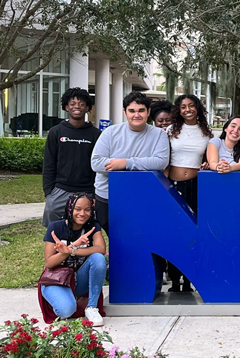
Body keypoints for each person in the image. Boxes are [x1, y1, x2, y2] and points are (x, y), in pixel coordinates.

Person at [91, 92, 170, 236]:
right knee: (115, 237)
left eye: (141, 110)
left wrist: (124, 163)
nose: (136, 115)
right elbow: (96, 163)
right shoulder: (110, 133)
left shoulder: (159, 134)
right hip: (108, 195)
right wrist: (140, 164)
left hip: (141, 196)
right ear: (124, 112)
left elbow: (160, 162)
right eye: (132, 111)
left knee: (139, 237)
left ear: (148, 112)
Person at [165, 94, 213, 292]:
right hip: (173, 185)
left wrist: (209, 164)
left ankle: (189, 279)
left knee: (194, 232)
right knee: (175, 232)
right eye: (183, 106)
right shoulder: (170, 131)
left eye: (191, 106)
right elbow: (164, 158)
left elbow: (211, 157)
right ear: (179, 110)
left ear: (197, 108)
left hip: (196, 186)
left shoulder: (206, 133)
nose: (188, 109)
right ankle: (175, 279)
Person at [40, 193, 107, 326]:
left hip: (79, 280)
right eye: (77, 209)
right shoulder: (56, 227)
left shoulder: (92, 226)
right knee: (66, 311)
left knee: (98, 258)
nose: (82, 213)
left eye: (87, 209)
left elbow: (101, 249)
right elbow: (49, 262)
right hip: (57, 281)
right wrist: (74, 245)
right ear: (70, 209)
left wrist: (71, 250)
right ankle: (59, 297)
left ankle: (91, 307)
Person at [42, 88, 101, 227]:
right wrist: (49, 192)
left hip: (87, 189)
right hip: (61, 188)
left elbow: (99, 165)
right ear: (66, 106)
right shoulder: (56, 132)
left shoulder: (96, 134)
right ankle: (56, 248)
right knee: (53, 221)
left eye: (81, 104)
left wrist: (95, 192)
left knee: (86, 225)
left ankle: (82, 248)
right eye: (73, 103)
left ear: (87, 108)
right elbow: (49, 163)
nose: (77, 107)